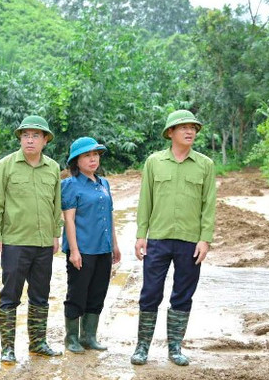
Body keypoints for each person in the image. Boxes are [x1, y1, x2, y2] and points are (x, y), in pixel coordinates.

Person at [129, 109, 216, 367]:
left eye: (193, 128)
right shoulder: (154, 162)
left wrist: (205, 239)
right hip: (158, 237)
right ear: (170, 133)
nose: (190, 132)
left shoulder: (205, 165)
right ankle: (142, 346)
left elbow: (209, 205)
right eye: (183, 128)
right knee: (150, 293)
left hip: (190, 240)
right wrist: (140, 235)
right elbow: (146, 200)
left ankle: (175, 347)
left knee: (183, 294)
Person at [0, 115, 63, 364]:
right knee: (10, 295)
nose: (30, 140)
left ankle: (38, 343)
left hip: (43, 243)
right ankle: (7, 348)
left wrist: (55, 234)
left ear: (45, 140)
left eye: (36, 135)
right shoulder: (6, 166)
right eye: (26, 135)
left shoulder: (52, 167)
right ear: (20, 138)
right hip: (15, 242)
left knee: (40, 295)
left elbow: (56, 205)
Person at [60, 137, 121, 354]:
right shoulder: (69, 185)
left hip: (103, 248)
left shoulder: (104, 183)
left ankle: (89, 337)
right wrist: (74, 251)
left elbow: (109, 216)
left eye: (95, 154)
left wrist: (114, 245)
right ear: (76, 160)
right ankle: (71, 338)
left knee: (97, 293)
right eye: (87, 155)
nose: (93, 158)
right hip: (82, 249)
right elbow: (69, 219)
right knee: (77, 293)